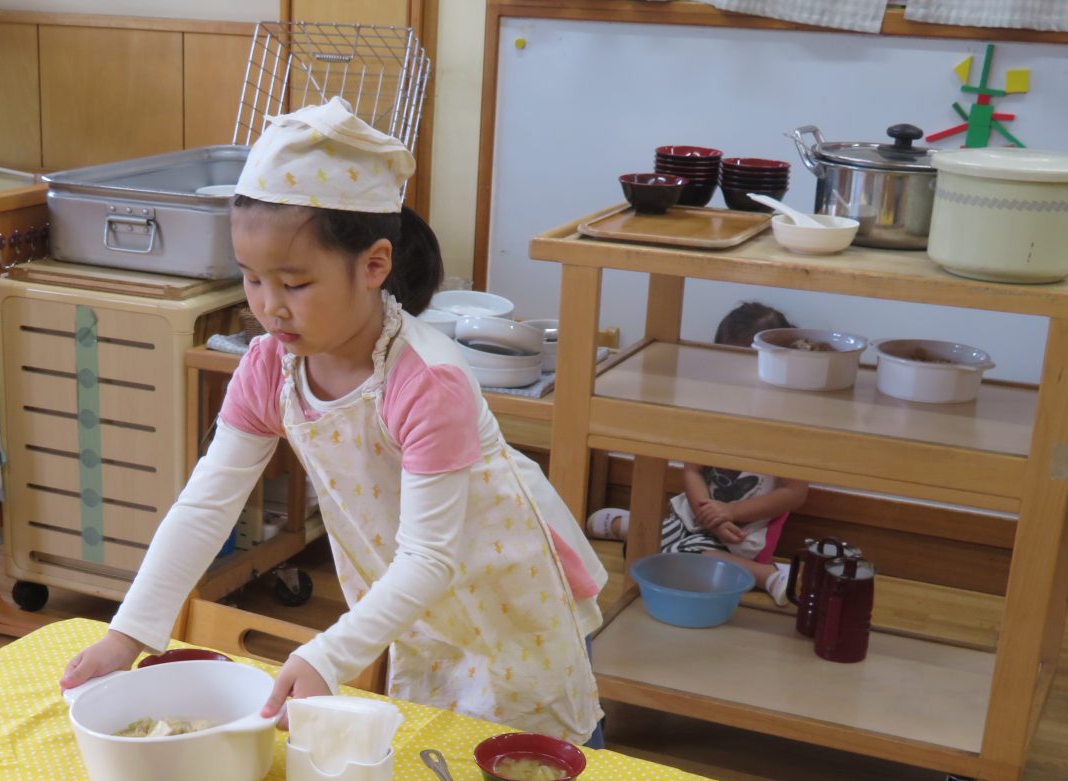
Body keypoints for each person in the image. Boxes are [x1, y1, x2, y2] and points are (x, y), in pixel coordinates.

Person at [61, 97, 606, 745]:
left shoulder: (427, 381)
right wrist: (128, 634)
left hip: (508, 596)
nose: (268, 308)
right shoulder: (270, 367)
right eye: (252, 280)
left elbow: (430, 557)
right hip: (414, 600)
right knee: (441, 758)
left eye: (293, 284)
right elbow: (206, 506)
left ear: (374, 266)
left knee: (538, 763)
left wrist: (326, 655)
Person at [584, 302, 810, 604]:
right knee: (631, 546)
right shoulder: (715, 408)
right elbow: (692, 470)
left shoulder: (787, 419)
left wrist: (730, 513)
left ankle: (767, 575)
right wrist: (708, 511)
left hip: (740, 533)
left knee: (685, 559)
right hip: (696, 515)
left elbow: (794, 493)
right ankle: (632, 526)